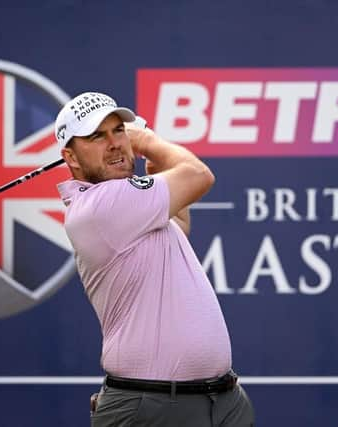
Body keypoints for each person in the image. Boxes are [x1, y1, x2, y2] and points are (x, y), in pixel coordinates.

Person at [55, 92, 254, 427]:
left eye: (119, 130)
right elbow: (198, 175)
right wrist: (145, 139)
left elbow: (179, 225)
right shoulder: (101, 205)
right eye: (96, 136)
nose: (115, 143)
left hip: (221, 401)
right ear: (71, 158)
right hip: (152, 407)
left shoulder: (129, 205)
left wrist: (157, 166)